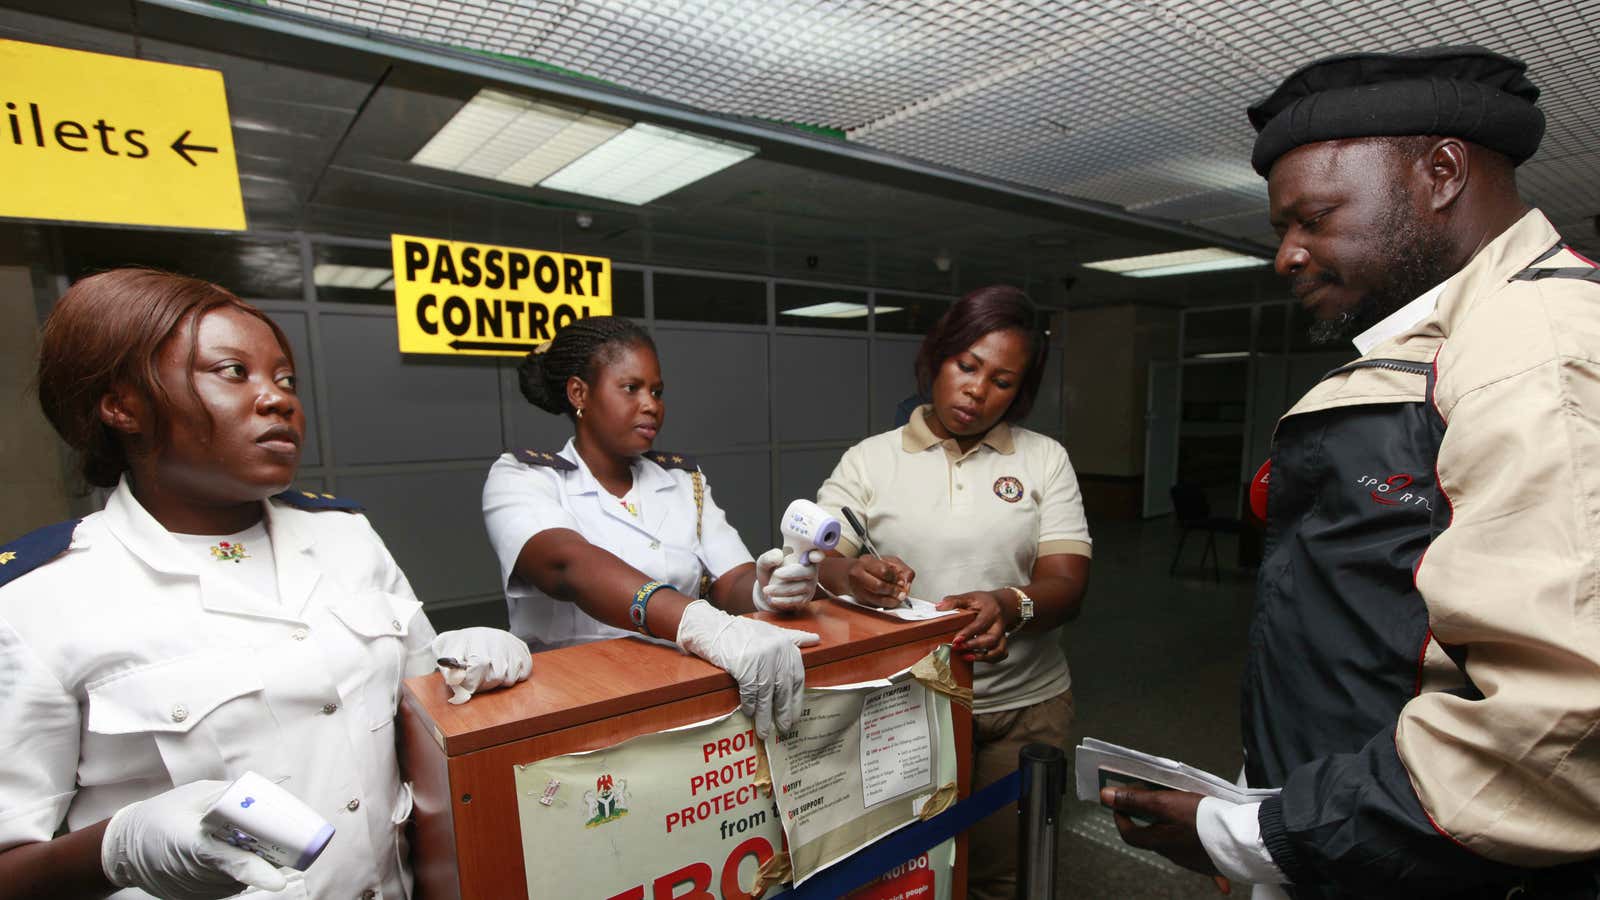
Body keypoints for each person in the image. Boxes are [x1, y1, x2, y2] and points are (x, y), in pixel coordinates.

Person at [1103, 47, 1600, 898]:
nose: (1287, 256)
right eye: (1281, 230)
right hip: (1352, 839)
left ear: (1441, 173)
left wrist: (1254, 834)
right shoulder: (1447, 341)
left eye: (1314, 218)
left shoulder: (1539, 350)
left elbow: (1557, 728)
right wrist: (1274, 815)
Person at [0, 268, 531, 900]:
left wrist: (465, 669)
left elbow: (417, 709)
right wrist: (120, 846)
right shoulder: (39, 599)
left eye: (284, 379)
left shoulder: (344, 535)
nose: (278, 399)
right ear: (122, 405)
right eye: (232, 372)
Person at [805, 285, 1092, 900]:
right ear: (937, 357)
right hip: (905, 707)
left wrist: (1011, 605)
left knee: (1005, 875)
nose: (977, 390)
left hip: (1024, 708)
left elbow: (1068, 584)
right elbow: (822, 555)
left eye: (1003, 380)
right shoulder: (869, 460)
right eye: (967, 366)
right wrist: (851, 576)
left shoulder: (1046, 460)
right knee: (907, 870)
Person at [481, 316, 822, 739]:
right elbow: (568, 566)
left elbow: (728, 578)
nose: (651, 405)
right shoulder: (525, 476)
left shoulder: (681, 480)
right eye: (631, 388)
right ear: (579, 393)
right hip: (571, 709)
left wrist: (764, 589)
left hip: (680, 692)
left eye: (657, 391)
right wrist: (704, 625)